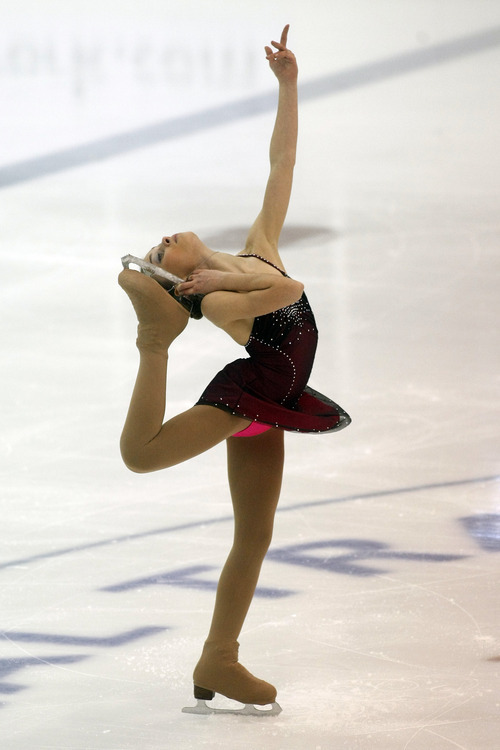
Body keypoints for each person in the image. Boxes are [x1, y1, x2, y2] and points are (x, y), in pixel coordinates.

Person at [118, 25, 350, 713]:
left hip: (274, 402)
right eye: (166, 249)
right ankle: (154, 341)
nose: (170, 235)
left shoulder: (255, 250)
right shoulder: (221, 300)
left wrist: (288, 85)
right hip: (249, 396)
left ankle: (220, 657)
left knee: (255, 533)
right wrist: (209, 295)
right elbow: (286, 294)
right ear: (180, 281)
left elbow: (282, 164)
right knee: (141, 454)